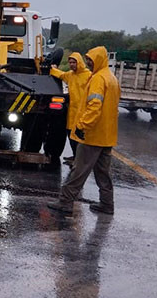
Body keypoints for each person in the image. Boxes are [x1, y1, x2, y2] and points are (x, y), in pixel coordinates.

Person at [47, 46, 121, 215]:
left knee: (78, 170)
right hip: (107, 135)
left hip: (93, 135)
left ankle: (65, 202)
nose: (88, 63)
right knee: (103, 173)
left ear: (99, 60)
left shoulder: (97, 79)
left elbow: (94, 107)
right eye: (87, 60)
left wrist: (82, 126)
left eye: (90, 60)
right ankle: (107, 204)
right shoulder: (112, 79)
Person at [50, 52, 92, 164]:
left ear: (79, 62)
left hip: (83, 110)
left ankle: (79, 158)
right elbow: (61, 75)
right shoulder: (70, 75)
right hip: (72, 110)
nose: (72, 65)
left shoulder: (88, 75)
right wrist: (53, 69)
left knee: (79, 135)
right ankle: (75, 156)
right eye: (70, 62)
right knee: (71, 134)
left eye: (74, 62)